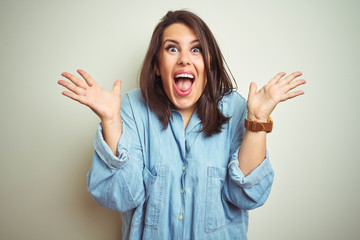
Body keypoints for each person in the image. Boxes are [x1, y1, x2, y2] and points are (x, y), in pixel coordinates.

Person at [58, 10, 306, 240]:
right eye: (172, 49)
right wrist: (111, 121)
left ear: (208, 64)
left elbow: (248, 196)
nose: (185, 60)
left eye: (196, 50)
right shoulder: (134, 107)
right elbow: (120, 197)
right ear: (157, 65)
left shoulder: (236, 108)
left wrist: (257, 121)